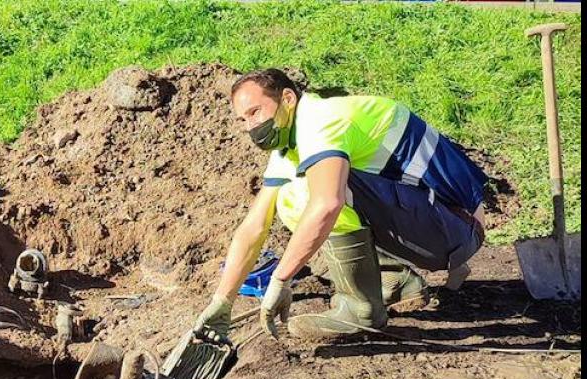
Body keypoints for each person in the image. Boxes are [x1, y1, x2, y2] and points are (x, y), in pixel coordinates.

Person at [196, 69, 488, 342]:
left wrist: (280, 279)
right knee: (289, 199)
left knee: (310, 196)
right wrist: (222, 302)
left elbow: (327, 205)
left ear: (287, 98)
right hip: (435, 220)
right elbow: (255, 225)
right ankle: (396, 281)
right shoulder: (292, 140)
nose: (251, 126)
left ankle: (360, 309)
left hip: (457, 226)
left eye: (254, 112)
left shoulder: (321, 122)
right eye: (243, 120)